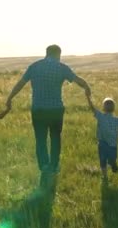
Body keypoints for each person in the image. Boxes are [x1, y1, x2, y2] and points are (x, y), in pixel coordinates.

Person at [6, 45, 91, 173]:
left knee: (40, 139)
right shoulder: (62, 68)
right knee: (56, 138)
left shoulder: (34, 66)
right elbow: (77, 80)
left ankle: (44, 166)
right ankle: (54, 165)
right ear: (58, 54)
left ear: (46, 53)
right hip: (56, 109)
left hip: (38, 109)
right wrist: (87, 87)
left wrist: (10, 98)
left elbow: (21, 83)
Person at [86, 95, 118, 179]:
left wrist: (88, 98)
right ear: (113, 109)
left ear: (103, 108)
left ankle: (108, 172)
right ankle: (108, 170)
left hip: (106, 144)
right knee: (108, 159)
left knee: (104, 160)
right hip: (110, 144)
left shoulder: (102, 116)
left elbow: (92, 108)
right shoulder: (115, 120)